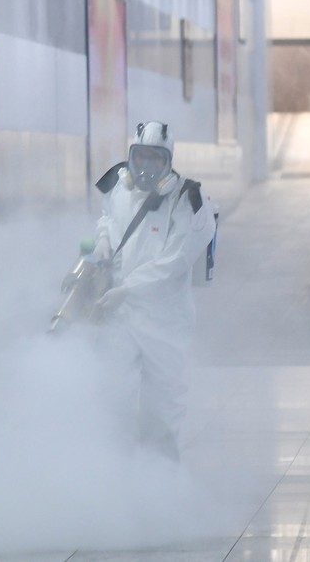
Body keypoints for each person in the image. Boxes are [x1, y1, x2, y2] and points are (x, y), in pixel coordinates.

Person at [90, 120, 216, 461]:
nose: (145, 166)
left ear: (168, 160)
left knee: (162, 407)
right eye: (140, 157)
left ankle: (163, 486)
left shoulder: (189, 200)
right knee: (113, 398)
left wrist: (126, 290)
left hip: (165, 321)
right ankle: (118, 479)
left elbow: (174, 262)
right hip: (121, 315)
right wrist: (103, 242)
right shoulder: (120, 187)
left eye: (155, 159)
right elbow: (109, 219)